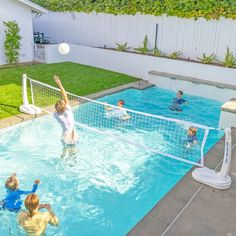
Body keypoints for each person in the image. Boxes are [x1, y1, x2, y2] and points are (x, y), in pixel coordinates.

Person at [53, 75, 78, 158]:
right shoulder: (68, 109)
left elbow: (59, 108)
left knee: (64, 152)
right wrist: (59, 84)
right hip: (72, 137)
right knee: (73, 154)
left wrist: (59, 106)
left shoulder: (55, 115)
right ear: (64, 105)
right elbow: (65, 95)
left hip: (64, 137)